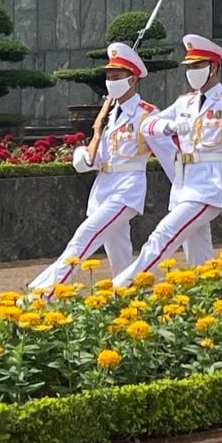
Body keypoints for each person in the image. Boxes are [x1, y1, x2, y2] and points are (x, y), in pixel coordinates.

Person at [112, 33, 222, 287]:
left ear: (214, 67)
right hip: (184, 185)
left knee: (162, 235)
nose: (192, 71)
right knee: (199, 258)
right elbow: (147, 125)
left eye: (198, 66)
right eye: (190, 67)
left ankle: (122, 287)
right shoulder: (185, 102)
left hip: (208, 186)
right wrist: (169, 125)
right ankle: (211, 301)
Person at [27, 41, 176, 292]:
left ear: (132, 80)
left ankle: (43, 294)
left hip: (126, 190)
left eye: (116, 76)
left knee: (84, 238)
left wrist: (183, 190)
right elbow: (101, 155)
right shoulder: (108, 112)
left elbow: (169, 155)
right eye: (108, 76)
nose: (110, 81)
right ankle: (130, 296)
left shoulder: (146, 114)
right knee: (118, 251)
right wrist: (85, 154)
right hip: (103, 188)